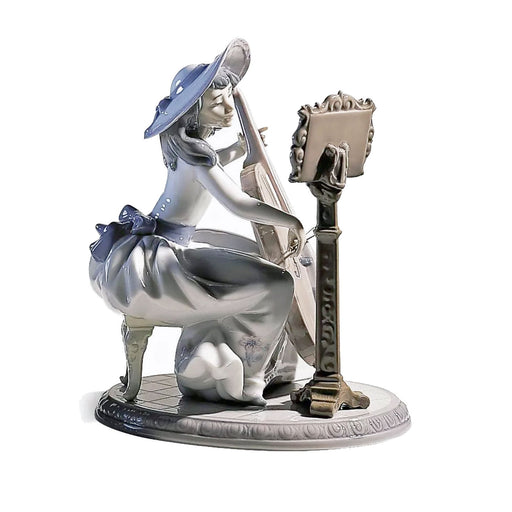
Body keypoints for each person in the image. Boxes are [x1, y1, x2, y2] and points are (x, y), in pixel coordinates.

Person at [89, 39, 305, 406]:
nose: (229, 108)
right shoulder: (196, 157)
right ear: (193, 112)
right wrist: (290, 220)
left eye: (229, 98)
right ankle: (250, 378)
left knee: (258, 264)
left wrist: (236, 150)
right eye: (218, 102)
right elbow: (238, 203)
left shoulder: (187, 147)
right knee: (278, 283)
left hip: (167, 242)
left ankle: (233, 361)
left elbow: (205, 169)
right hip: (164, 258)